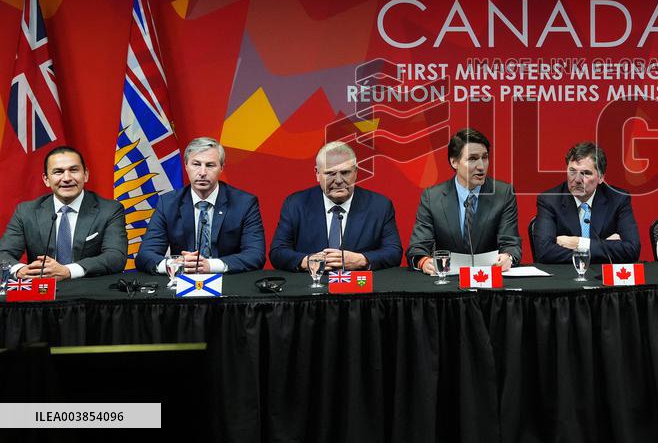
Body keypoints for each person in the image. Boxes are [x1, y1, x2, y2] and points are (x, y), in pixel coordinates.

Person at [136, 137, 265, 274]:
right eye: (196, 164)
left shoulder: (244, 203)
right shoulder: (168, 203)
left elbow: (255, 255)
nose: (202, 173)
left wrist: (211, 265)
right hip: (182, 281)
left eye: (210, 165)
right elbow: (145, 256)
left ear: (221, 168)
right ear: (186, 166)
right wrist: (175, 264)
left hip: (227, 282)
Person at [269, 141, 403, 271]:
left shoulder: (379, 206)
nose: (338, 181)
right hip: (310, 283)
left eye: (345, 172)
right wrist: (307, 262)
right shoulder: (295, 204)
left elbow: (394, 252)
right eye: (330, 173)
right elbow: (277, 252)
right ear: (317, 173)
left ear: (356, 172)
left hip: (358, 284)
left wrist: (361, 260)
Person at [0, 145, 126, 280]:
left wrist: (68, 271)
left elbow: (116, 257)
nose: (67, 178)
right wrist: (20, 270)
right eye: (58, 172)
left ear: (85, 175)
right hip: (41, 289)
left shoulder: (110, 210)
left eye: (74, 170)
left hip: (89, 288)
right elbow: (3, 253)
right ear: (46, 179)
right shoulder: (26, 211)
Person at [406, 128, 521, 273]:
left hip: (489, 278)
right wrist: (424, 262)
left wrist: (507, 257)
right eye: (472, 159)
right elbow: (417, 248)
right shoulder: (432, 197)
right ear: (454, 162)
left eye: (484, 157)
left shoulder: (503, 194)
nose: (481, 166)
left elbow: (511, 244)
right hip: (448, 278)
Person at [532, 141, 640, 263]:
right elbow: (544, 252)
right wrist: (605, 246)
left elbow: (632, 250)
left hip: (602, 274)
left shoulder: (618, 199)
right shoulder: (550, 200)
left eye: (586, 173)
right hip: (565, 274)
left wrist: (580, 243)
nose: (577, 180)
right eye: (572, 171)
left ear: (601, 178)